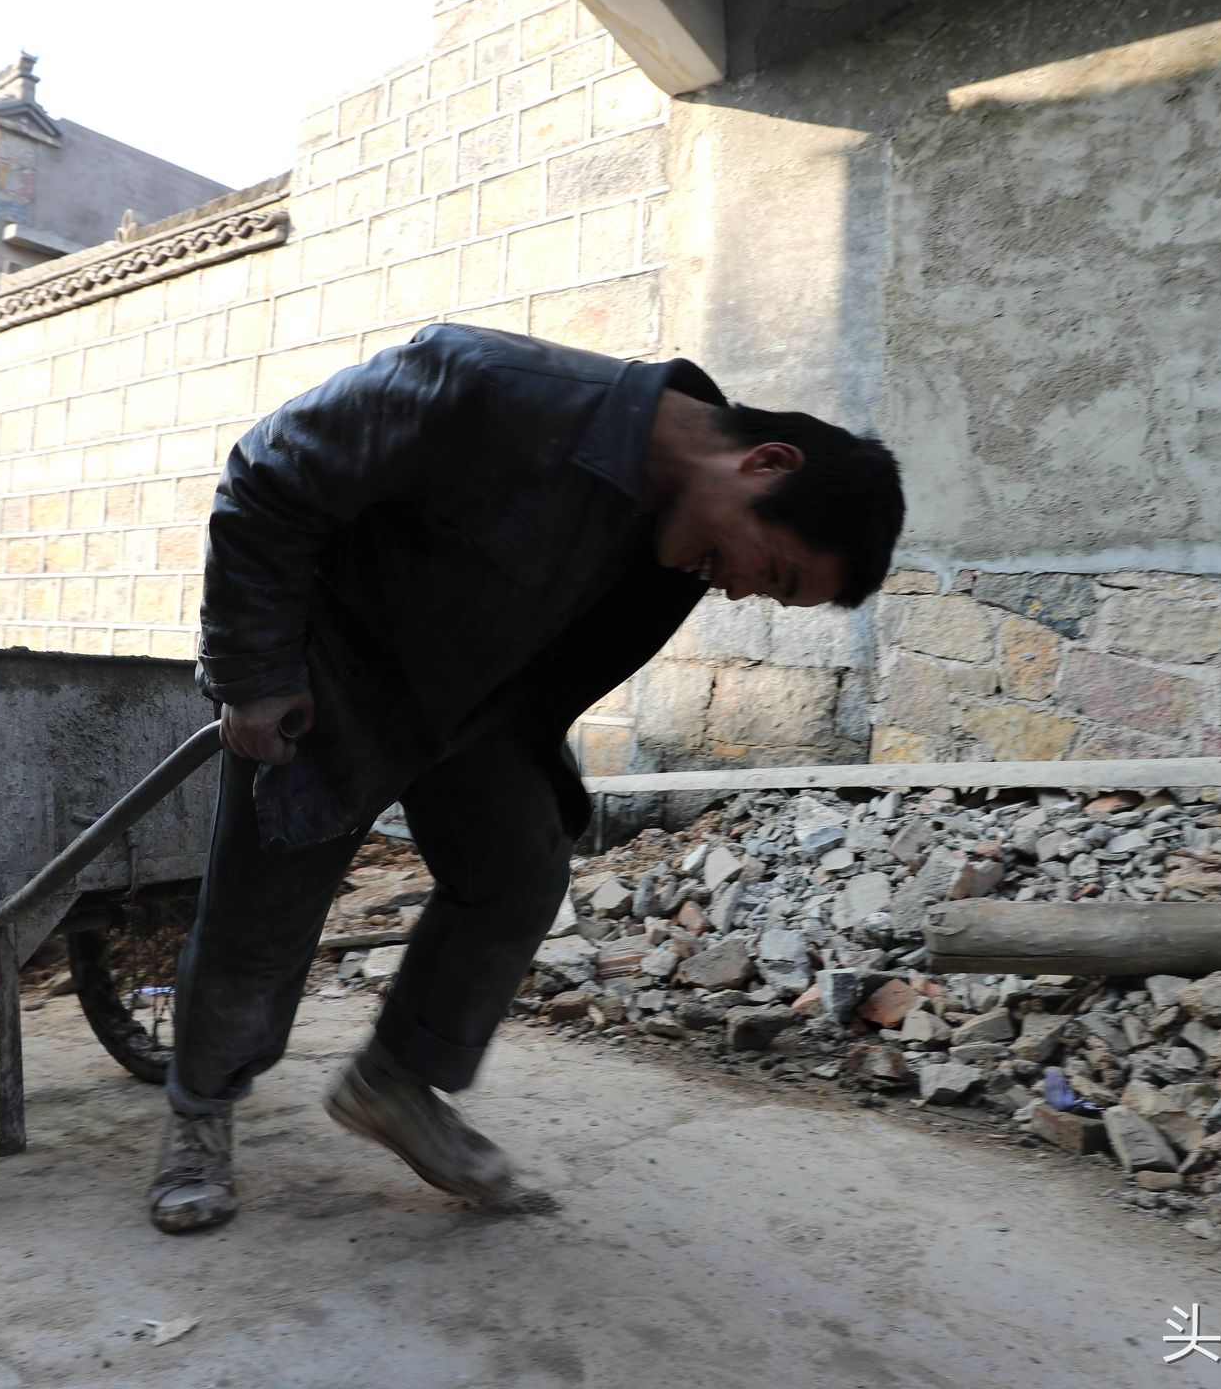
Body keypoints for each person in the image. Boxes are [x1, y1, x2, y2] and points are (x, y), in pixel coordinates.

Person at [152, 323, 905, 1231]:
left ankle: (394, 1082)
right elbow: (266, 477)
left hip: (477, 711)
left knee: (521, 869)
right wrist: (254, 673)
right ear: (765, 464)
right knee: (261, 913)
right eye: (771, 571)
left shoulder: (675, 535)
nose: (742, 591)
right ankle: (199, 1110)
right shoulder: (484, 386)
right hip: (332, 677)